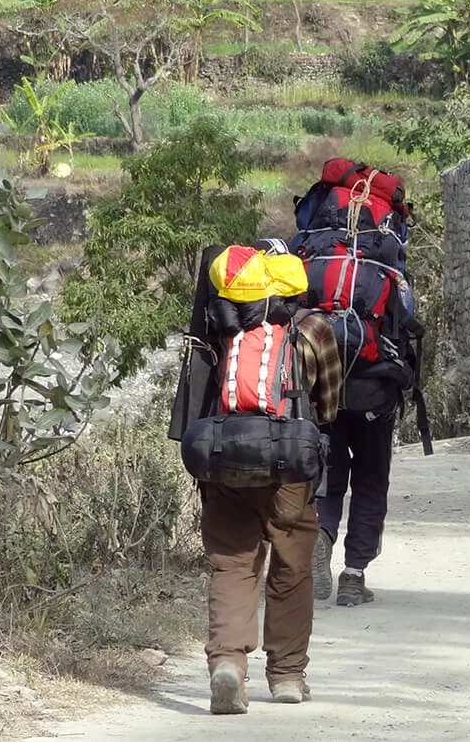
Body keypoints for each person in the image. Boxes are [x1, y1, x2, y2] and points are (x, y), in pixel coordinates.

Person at [173, 242, 342, 714]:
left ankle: (227, 664)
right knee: (291, 568)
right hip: (289, 467)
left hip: (224, 461)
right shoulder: (312, 329)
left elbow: (196, 399)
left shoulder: (217, 326)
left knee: (231, 565)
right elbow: (327, 407)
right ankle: (287, 675)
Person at [312, 383, 399, 607]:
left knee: (328, 482)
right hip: (376, 398)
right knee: (370, 485)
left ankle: (322, 533)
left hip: (328, 397)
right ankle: (353, 576)